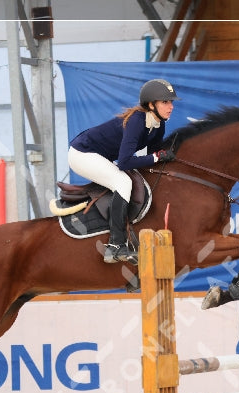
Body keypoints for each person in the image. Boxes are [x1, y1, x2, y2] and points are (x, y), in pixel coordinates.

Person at [68, 79, 178, 264]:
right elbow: (125, 162)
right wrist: (157, 157)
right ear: (151, 105)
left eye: (171, 102)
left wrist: (162, 159)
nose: (171, 106)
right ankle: (115, 246)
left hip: (100, 155)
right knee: (123, 182)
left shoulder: (159, 124)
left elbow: (152, 155)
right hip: (82, 153)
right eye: (165, 102)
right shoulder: (137, 120)